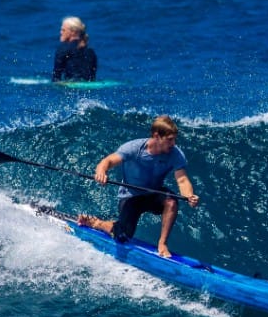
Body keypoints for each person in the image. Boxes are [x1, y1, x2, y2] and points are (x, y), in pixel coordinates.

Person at [78, 115, 200, 258]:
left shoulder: (175, 154)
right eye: (169, 139)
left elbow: (182, 180)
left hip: (154, 194)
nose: (173, 143)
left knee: (171, 201)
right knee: (122, 235)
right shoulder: (134, 148)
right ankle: (97, 223)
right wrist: (101, 171)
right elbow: (109, 160)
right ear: (156, 136)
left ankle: (162, 244)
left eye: (174, 139)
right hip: (131, 196)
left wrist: (189, 195)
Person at [52, 16, 97, 82]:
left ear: (73, 32)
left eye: (63, 30)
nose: (60, 32)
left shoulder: (63, 49)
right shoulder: (90, 51)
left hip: (71, 87)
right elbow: (92, 77)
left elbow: (56, 77)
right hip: (89, 86)